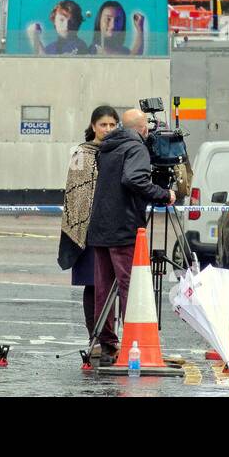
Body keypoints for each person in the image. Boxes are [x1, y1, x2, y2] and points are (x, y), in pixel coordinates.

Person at [85, 108, 175, 361]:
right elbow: (133, 179)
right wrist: (162, 194)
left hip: (101, 226)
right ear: (143, 128)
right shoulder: (136, 148)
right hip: (123, 227)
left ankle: (107, 343)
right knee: (129, 286)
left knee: (103, 288)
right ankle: (134, 342)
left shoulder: (108, 147)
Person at [59, 106, 119, 342]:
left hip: (113, 228)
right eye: (103, 124)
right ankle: (94, 338)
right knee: (93, 285)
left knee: (112, 286)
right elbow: (76, 193)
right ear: (93, 126)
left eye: (112, 125)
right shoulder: (81, 154)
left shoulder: (120, 151)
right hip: (87, 230)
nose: (107, 129)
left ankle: (109, 337)